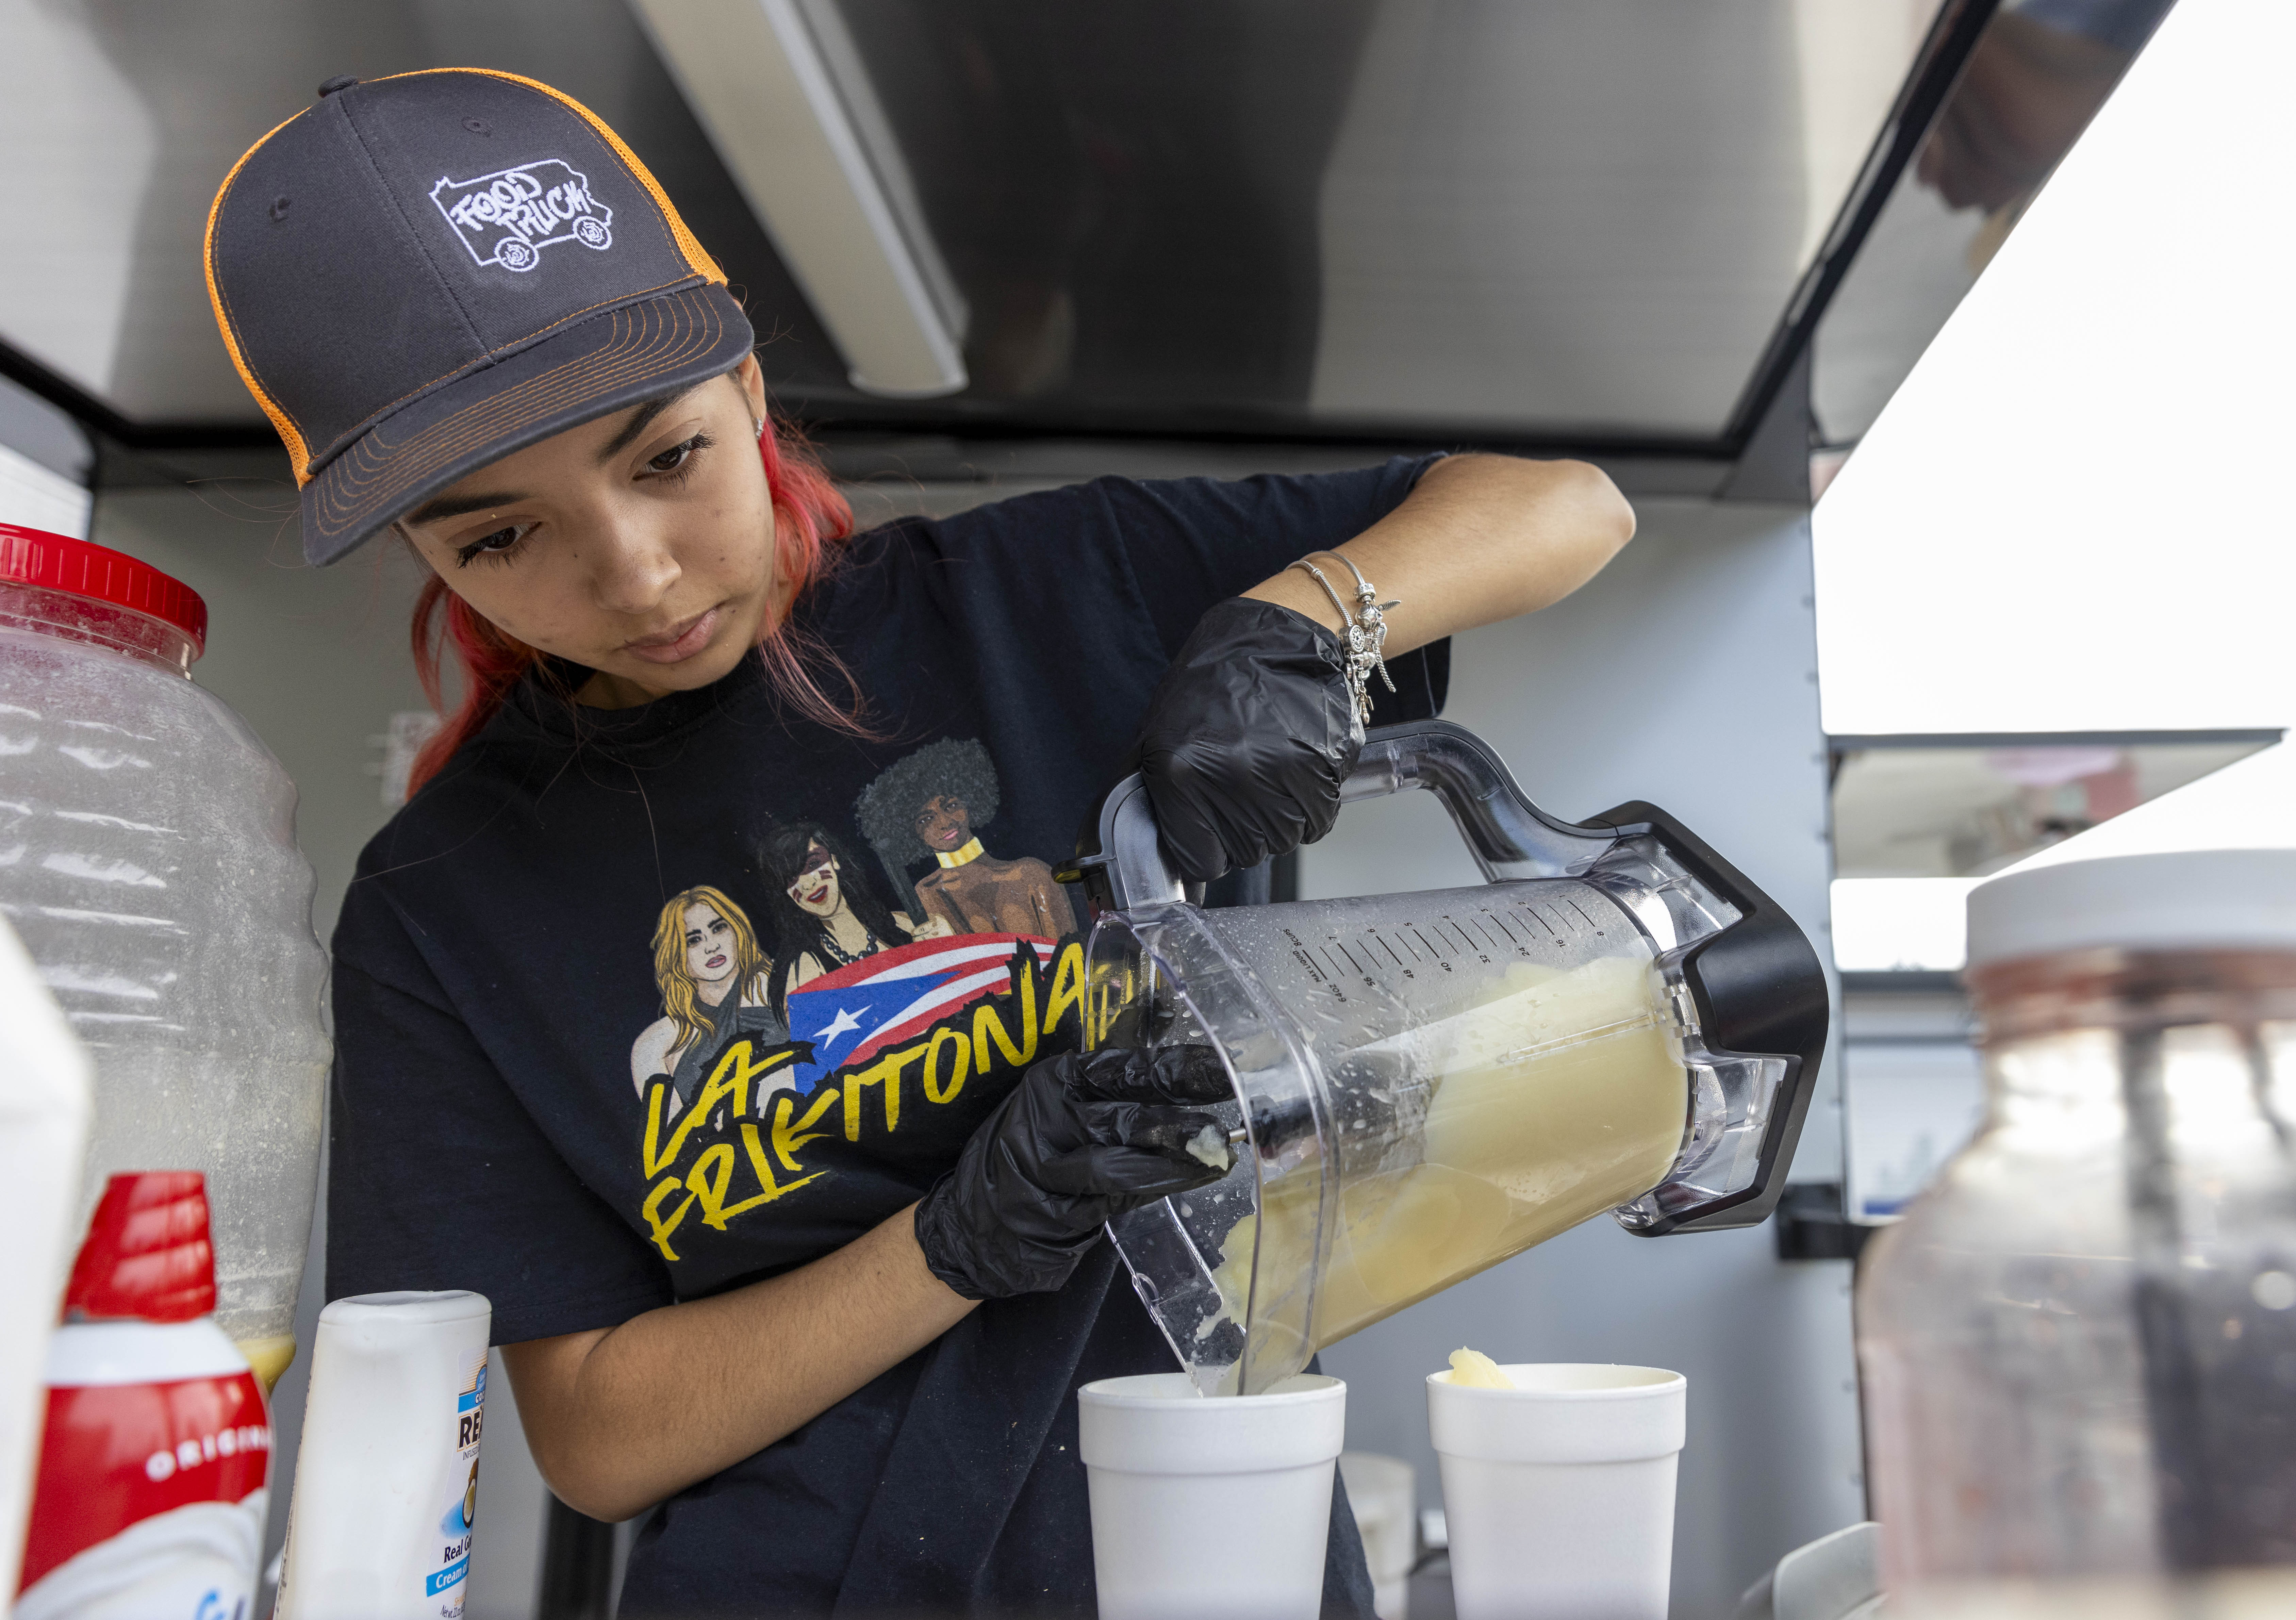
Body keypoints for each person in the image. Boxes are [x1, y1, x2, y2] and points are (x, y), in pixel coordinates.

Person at [209, 71, 1636, 1617]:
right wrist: (954, 1242)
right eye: (497, 534)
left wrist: (1294, 630)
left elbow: (1561, 504)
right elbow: (598, 1438)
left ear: (744, 385)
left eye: (663, 457)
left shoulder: (1046, 595)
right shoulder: (443, 907)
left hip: (1212, 1553)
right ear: (423, 549)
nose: (631, 571)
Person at [855, 736, 1075, 937]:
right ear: (911, 835)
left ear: (970, 802)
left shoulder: (1033, 874)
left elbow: (1077, 957)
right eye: (926, 820)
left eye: (951, 806)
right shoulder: (927, 895)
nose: (945, 822)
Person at [630, 886, 787, 1112]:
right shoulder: (657, 1045)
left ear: (738, 929)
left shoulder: (786, 984)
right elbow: (671, 1139)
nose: (712, 947)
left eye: (719, 928)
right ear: (675, 955)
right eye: (693, 941)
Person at [753, 818, 934, 1002]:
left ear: (834, 861)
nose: (808, 884)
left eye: (813, 865)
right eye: (791, 879)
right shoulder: (804, 970)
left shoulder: (904, 925)